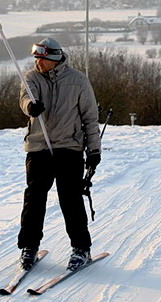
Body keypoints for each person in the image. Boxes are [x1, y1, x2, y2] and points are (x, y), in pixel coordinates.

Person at [17, 37, 102, 271]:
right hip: (39, 147)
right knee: (34, 199)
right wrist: (31, 108)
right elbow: (25, 98)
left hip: (69, 148)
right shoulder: (32, 78)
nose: (38, 63)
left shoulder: (78, 81)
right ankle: (29, 247)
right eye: (36, 58)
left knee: (71, 200)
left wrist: (93, 150)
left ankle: (81, 249)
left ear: (54, 58)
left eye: (42, 59)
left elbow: (90, 118)